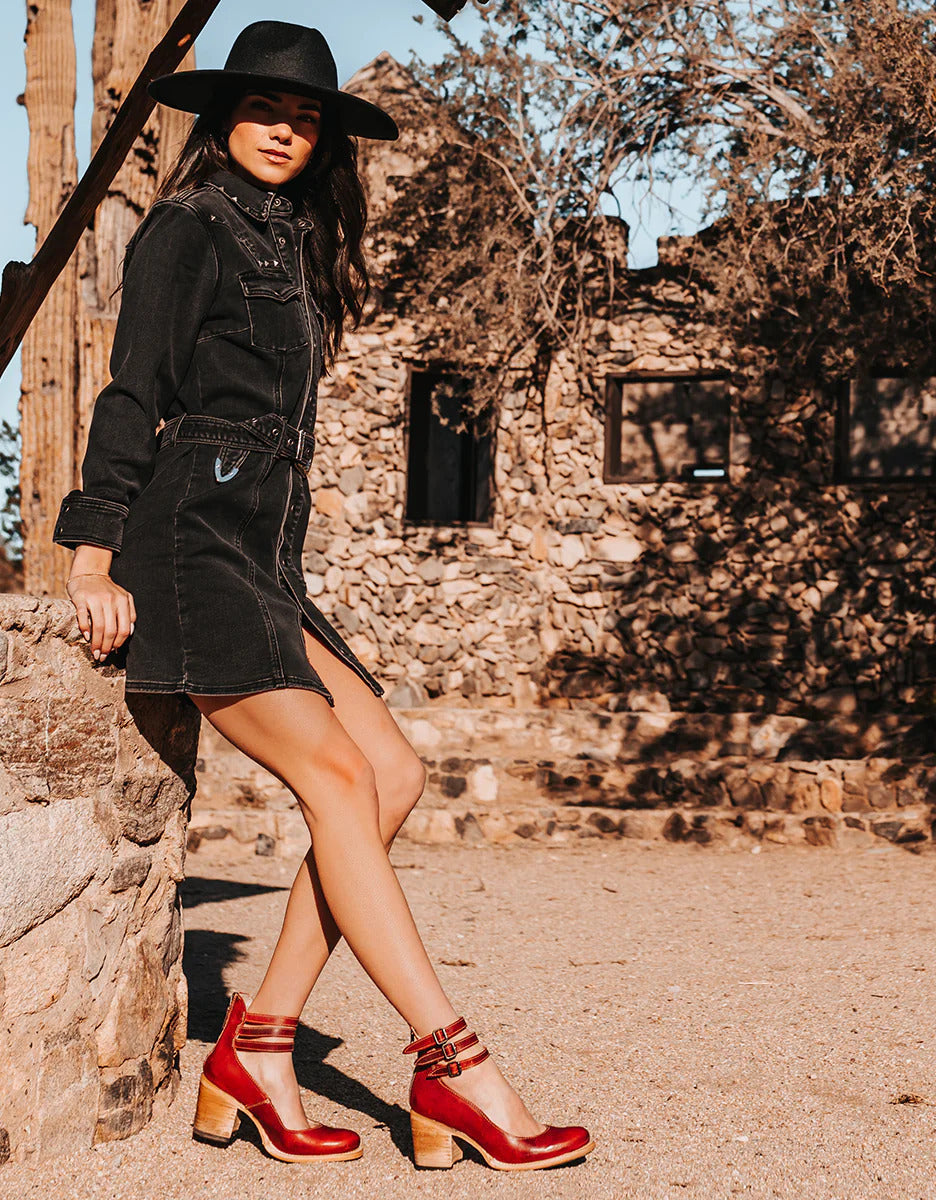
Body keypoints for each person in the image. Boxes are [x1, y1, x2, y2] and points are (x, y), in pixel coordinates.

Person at [52, 20, 595, 1173]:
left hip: (265, 556)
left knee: (393, 773)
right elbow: (131, 391)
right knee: (340, 778)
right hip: (188, 548)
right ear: (223, 118)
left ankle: (256, 1051)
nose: (284, 131)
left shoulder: (293, 242)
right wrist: (93, 554)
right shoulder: (187, 228)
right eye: (264, 110)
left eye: (304, 119)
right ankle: (454, 1065)